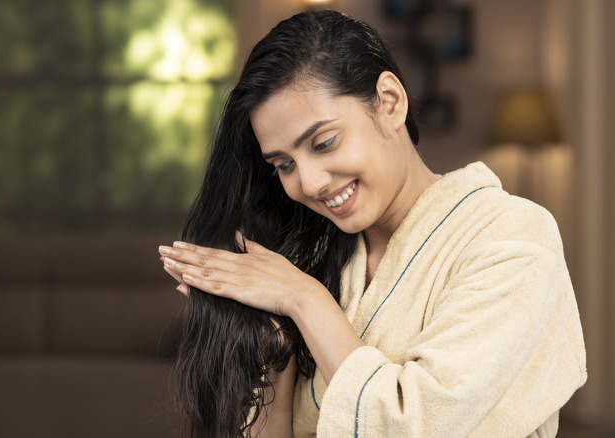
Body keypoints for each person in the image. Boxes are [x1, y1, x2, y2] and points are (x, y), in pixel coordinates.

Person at [159, 10, 586, 438]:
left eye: (323, 142)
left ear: (390, 102)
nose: (308, 183)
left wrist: (304, 299)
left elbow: (415, 425)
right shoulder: (315, 256)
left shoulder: (514, 237)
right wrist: (276, 351)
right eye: (283, 164)